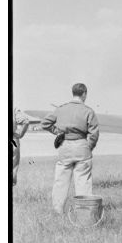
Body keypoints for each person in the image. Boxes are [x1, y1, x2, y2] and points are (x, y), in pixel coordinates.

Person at [41, 83, 99, 214]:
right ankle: (84, 213)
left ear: (73, 93)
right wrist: (89, 146)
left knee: (60, 181)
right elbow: (94, 133)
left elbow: (45, 123)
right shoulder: (88, 111)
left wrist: (57, 132)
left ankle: (57, 211)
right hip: (82, 146)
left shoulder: (61, 109)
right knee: (83, 181)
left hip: (64, 146)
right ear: (84, 94)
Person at [12, 107, 29, 186]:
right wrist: (20, 134)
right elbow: (26, 121)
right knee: (13, 172)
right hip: (13, 140)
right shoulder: (14, 109)